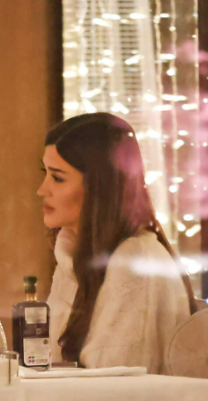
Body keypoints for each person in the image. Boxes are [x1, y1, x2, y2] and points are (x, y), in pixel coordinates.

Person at [38, 113, 196, 372]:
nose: (42, 190)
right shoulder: (74, 255)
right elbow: (48, 361)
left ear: (99, 187)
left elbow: (116, 383)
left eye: (57, 177)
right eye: (44, 173)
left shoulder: (135, 260)